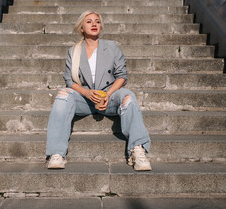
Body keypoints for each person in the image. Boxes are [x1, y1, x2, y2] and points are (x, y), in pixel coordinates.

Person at [46, 10, 152, 171]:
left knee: (128, 96)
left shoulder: (111, 47)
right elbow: (69, 80)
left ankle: (138, 150)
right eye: (89, 21)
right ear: (81, 27)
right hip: (85, 99)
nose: (94, 24)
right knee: (62, 94)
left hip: (109, 97)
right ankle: (56, 154)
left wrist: (108, 95)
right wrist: (87, 93)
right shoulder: (73, 51)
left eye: (97, 21)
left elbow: (122, 76)